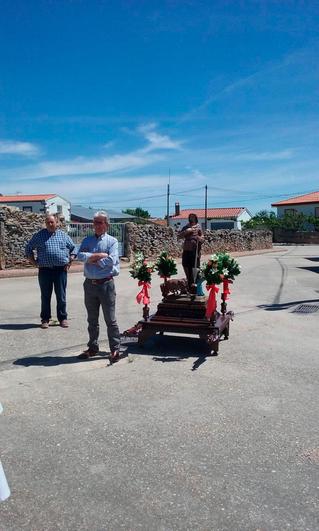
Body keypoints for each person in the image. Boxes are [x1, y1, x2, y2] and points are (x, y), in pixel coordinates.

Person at [77, 211, 121, 362]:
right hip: (89, 284)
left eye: (99, 222)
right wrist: (100, 256)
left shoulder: (112, 241)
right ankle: (93, 347)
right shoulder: (87, 240)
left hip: (106, 285)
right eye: (95, 222)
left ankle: (115, 349)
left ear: (106, 225)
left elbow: (113, 259)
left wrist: (94, 260)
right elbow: (80, 256)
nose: (96, 225)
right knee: (92, 320)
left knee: (110, 319)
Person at [25, 214, 75, 329]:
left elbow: (73, 248)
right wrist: (33, 262)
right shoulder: (39, 236)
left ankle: (62, 318)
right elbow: (28, 248)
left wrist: (70, 260)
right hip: (45, 271)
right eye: (48, 222)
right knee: (45, 296)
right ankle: (45, 319)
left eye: (52, 222)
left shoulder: (63, 235)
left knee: (61, 295)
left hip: (60, 270)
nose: (50, 224)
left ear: (57, 223)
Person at [178, 213, 204, 292]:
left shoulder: (199, 227)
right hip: (186, 249)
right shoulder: (186, 227)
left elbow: (202, 239)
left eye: (193, 217)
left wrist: (198, 238)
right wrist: (187, 231)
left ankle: (196, 285)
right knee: (185, 265)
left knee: (195, 267)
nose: (191, 219)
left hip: (195, 250)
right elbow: (179, 236)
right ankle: (189, 284)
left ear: (195, 218)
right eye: (190, 217)